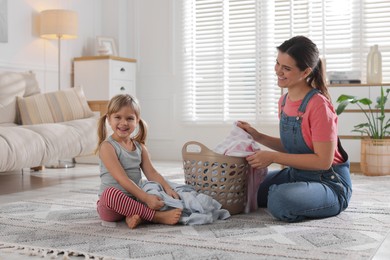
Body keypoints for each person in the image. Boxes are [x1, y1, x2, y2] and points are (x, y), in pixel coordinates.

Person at [237, 35, 352, 222]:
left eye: (286, 68)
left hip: (329, 182)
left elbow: (323, 161)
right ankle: (290, 192)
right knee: (243, 188)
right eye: (277, 64)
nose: (278, 71)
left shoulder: (319, 106)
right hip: (296, 174)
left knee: (280, 200)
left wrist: (272, 157)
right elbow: (296, 147)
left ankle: (301, 197)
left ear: (305, 72)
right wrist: (256, 135)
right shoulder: (283, 102)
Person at [95, 94, 182, 229]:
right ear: (109, 119)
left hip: (135, 200)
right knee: (109, 194)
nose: (124, 123)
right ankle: (156, 217)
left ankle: (136, 216)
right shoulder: (107, 147)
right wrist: (146, 198)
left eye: (129, 118)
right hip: (111, 206)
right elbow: (121, 179)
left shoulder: (140, 148)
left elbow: (152, 173)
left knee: (153, 187)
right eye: (118, 117)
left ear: (137, 121)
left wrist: (167, 188)